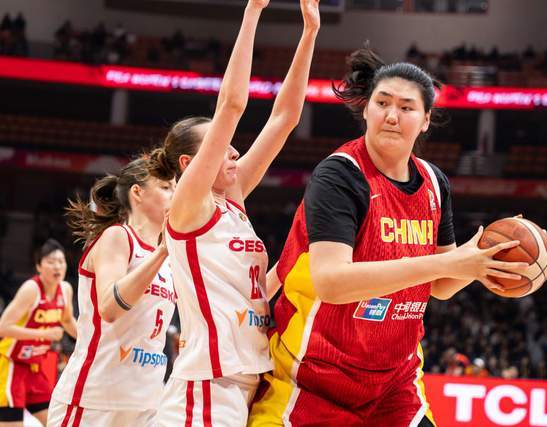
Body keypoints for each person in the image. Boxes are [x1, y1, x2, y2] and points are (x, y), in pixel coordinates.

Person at [248, 47, 527, 426]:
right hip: (312, 378)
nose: (392, 115)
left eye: (406, 107)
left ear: (426, 120)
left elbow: (441, 285)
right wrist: (449, 261)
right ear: (366, 109)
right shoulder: (340, 175)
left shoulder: (434, 183)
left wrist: (483, 260)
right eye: (382, 103)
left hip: (394, 385)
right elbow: (331, 282)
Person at [151, 0, 320, 424]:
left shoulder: (233, 199)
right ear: (190, 164)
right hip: (208, 387)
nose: (234, 152)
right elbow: (230, 106)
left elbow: (284, 118)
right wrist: (253, 11)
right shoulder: (189, 207)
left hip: (247, 379)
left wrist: (310, 31)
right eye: (221, 147)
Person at [47, 158, 176, 427]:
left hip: (147, 402)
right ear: (137, 192)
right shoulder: (118, 236)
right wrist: (163, 251)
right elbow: (109, 307)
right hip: (95, 401)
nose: (175, 194)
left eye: (176, 187)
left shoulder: (169, 257)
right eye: (166, 187)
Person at [0, 239, 76, 426]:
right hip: (10, 365)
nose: (57, 266)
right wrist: (45, 334)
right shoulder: (31, 289)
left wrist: (89, 341)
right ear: (39, 266)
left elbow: (67, 320)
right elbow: (3, 327)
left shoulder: (65, 290)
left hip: (34, 368)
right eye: (51, 262)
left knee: (57, 422)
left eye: (61, 261)